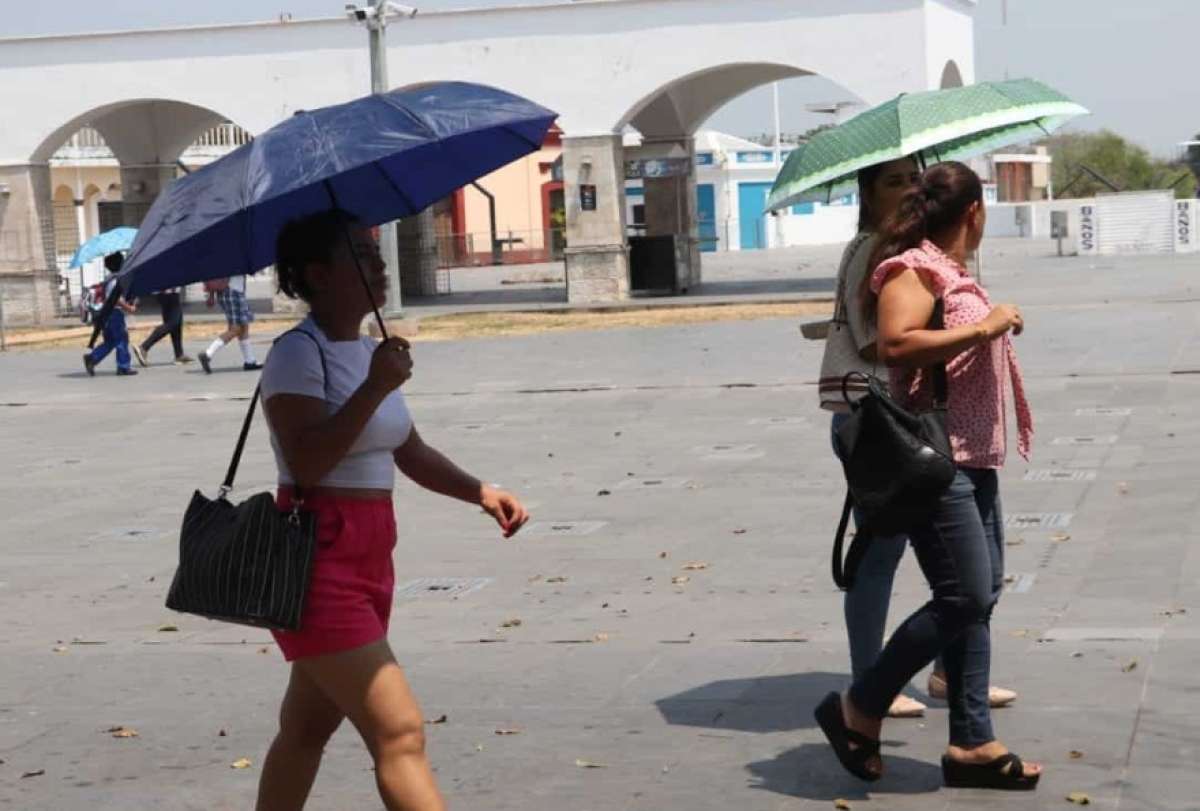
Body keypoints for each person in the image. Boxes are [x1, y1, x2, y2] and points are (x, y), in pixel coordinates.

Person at [254, 209, 530, 811]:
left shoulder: (371, 350)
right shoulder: (297, 356)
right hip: (317, 560)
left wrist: (481, 492)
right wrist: (375, 386)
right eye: (361, 254)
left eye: (376, 251)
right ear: (318, 275)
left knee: (305, 730)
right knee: (399, 733)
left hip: (372, 555)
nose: (379, 265)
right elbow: (306, 464)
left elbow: (408, 449)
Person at [815, 161, 1040, 790]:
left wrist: (984, 321)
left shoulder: (949, 268)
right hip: (936, 459)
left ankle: (971, 743)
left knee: (981, 596)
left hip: (973, 451)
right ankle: (861, 704)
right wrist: (985, 325)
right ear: (975, 212)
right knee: (965, 593)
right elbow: (894, 343)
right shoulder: (913, 266)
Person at [83, 252, 138, 377]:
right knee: (121, 339)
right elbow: (115, 299)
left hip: (107, 314)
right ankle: (123, 366)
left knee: (111, 341)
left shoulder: (109, 279)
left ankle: (92, 358)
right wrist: (128, 307)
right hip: (114, 314)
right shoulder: (115, 280)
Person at [198, 274, 260, 373]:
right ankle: (208, 354)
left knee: (243, 326)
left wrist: (211, 295)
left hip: (227, 292)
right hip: (233, 292)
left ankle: (250, 361)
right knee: (236, 329)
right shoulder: (236, 259)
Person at [132, 286, 193, 366]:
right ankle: (144, 347)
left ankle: (179, 354)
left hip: (165, 292)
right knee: (173, 323)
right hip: (169, 291)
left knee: (177, 322)